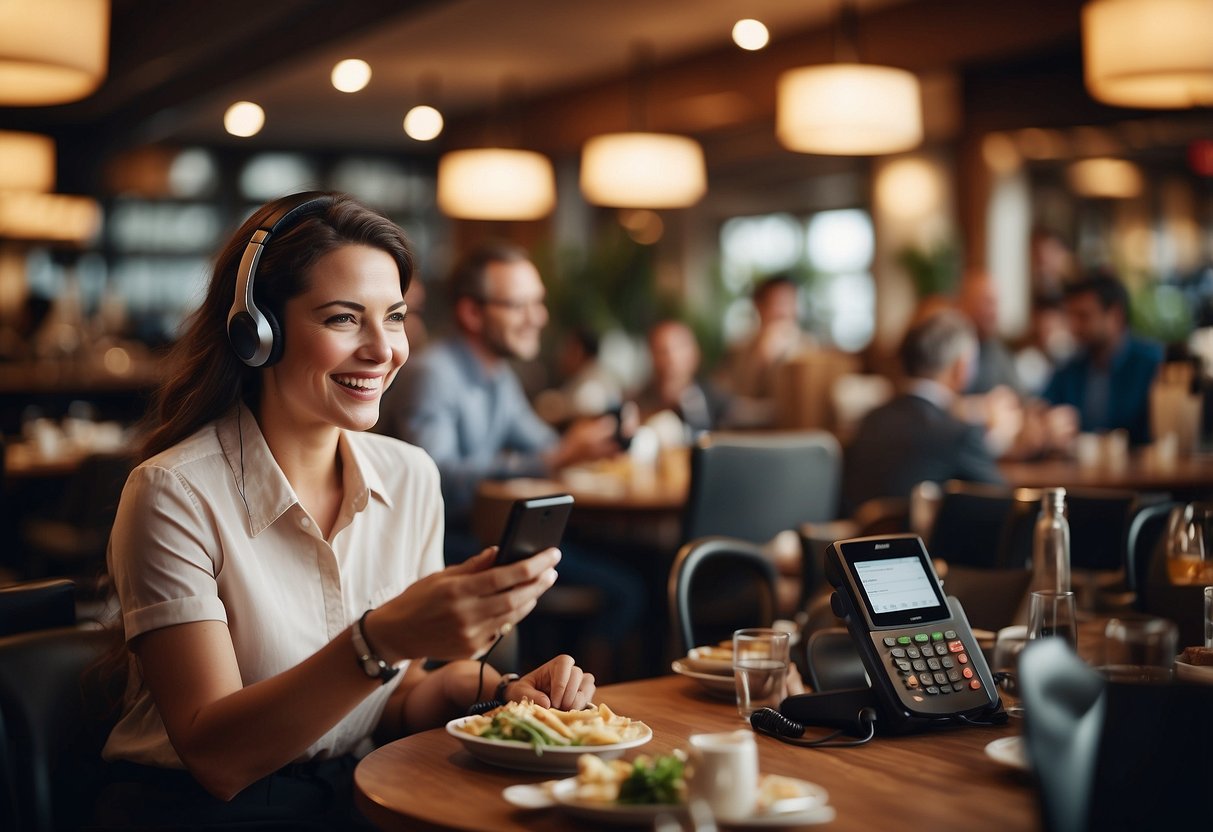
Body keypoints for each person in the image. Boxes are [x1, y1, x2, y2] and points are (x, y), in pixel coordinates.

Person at [96, 193, 595, 829]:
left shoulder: (410, 476)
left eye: (394, 318)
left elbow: (400, 697)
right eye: (342, 319)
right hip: (196, 812)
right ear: (258, 332)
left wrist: (503, 692)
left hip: (354, 791)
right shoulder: (173, 492)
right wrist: (379, 638)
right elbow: (216, 758)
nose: (382, 350)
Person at [376, 240, 643, 676]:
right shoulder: (434, 374)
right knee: (627, 589)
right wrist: (558, 454)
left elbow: (540, 443)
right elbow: (435, 478)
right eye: (520, 306)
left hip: (484, 531)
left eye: (537, 304)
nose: (538, 317)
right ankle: (578, 699)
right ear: (472, 313)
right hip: (440, 542)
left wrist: (592, 436)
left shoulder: (497, 376)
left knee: (629, 565)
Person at [842, 309, 1006, 514]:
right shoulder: (958, 434)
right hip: (924, 546)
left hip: (857, 544)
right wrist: (995, 439)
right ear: (961, 368)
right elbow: (1006, 506)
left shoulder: (868, 422)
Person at [1042, 272, 1163, 445]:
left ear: (1115, 315)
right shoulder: (1071, 367)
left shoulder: (1152, 364)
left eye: (1084, 316)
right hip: (1078, 469)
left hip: (1140, 470)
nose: (1074, 326)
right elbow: (1044, 408)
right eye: (1071, 316)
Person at [719, 274, 816, 426]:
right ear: (759, 306)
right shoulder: (739, 348)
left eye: (789, 303)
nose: (783, 311)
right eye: (777, 303)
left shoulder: (809, 347)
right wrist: (760, 358)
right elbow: (728, 401)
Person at [635, 318, 733, 437]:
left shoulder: (717, 403)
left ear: (695, 353)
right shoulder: (637, 405)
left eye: (679, 348)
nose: (671, 358)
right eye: (662, 351)